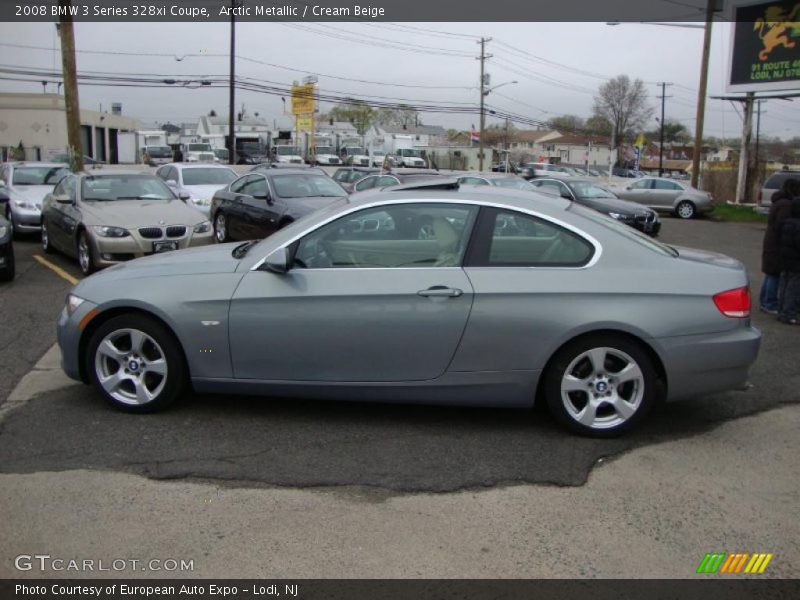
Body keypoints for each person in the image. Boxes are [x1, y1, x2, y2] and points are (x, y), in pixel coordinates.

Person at [760, 178, 797, 314]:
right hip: (776, 243)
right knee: (774, 273)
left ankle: (765, 301)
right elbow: (782, 225)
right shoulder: (786, 205)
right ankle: (769, 302)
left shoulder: (779, 202)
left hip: (771, 241)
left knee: (770, 273)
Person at [777, 183, 800, 324]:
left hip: (785, 259)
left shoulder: (786, 222)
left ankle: (781, 311)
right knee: (793, 287)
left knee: (784, 285)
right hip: (795, 261)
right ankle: (788, 313)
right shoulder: (798, 226)